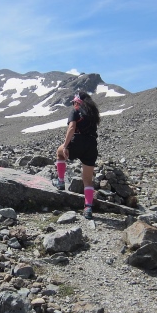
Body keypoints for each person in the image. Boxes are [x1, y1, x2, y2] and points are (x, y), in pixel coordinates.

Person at [53, 90, 100, 219]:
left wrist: (66, 145)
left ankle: (61, 182)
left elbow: (72, 127)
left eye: (74, 102)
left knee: (59, 152)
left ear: (78, 102)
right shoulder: (93, 114)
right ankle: (88, 207)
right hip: (91, 145)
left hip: (78, 142)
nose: (73, 104)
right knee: (88, 179)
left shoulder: (76, 111)